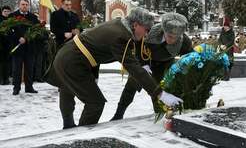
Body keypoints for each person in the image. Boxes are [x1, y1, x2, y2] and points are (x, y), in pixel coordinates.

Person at [48, 7, 183, 129]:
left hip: (68, 55)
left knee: (67, 89)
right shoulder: (120, 36)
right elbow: (133, 68)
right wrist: (161, 94)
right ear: (135, 25)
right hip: (73, 61)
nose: (147, 33)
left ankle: (68, 128)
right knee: (95, 103)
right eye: (146, 29)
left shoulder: (121, 25)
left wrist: (142, 65)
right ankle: (79, 139)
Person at [111, 12, 193, 121]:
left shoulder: (184, 41)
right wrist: (143, 65)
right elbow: (136, 46)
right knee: (131, 86)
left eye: (175, 37)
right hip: (145, 61)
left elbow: (191, 57)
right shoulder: (150, 33)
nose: (172, 40)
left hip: (165, 64)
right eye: (169, 36)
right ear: (164, 31)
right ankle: (118, 114)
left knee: (160, 89)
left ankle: (160, 115)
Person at [9, 0, 40, 95]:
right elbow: (8, 31)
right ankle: (16, 88)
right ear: (19, 5)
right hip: (17, 47)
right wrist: (18, 38)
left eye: (26, 4)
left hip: (30, 47)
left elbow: (37, 31)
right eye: (23, 4)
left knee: (29, 68)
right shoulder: (12, 16)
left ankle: (29, 87)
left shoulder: (33, 17)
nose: (25, 6)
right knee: (16, 69)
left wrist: (28, 38)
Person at [0, 6, 12, 85]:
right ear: (2, 12)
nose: (6, 13)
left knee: (8, 62)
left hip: (9, 44)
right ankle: (1, 79)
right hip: (0, 44)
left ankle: (6, 78)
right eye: (5, 11)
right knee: (1, 62)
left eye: (8, 11)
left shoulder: (11, 20)